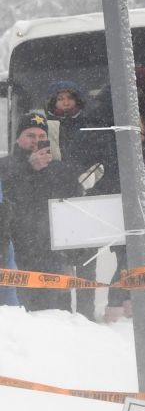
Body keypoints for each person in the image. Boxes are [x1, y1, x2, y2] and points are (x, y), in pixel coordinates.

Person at [1, 111, 84, 311]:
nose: (35, 141)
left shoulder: (61, 170)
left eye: (41, 137)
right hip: (14, 254)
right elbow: (8, 198)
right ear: (18, 137)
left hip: (52, 256)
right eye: (30, 135)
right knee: (19, 317)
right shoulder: (4, 166)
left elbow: (74, 210)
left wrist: (77, 248)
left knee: (57, 318)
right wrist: (29, 169)